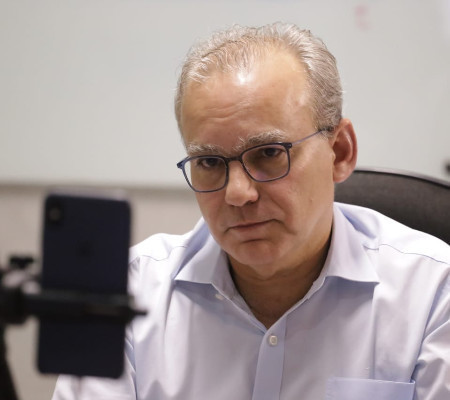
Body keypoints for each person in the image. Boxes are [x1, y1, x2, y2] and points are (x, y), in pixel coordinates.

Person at [52, 22, 450, 400]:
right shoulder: (126, 295)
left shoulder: (432, 294)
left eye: (269, 154)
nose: (238, 194)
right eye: (209, 162)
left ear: (340, 152)